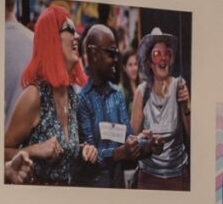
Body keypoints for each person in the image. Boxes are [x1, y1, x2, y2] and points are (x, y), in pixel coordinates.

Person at [4, 2, 83, 185]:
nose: (77, 35)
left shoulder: (71, 95)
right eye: (69, 29)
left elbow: (65, 151)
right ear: (52, 38)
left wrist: (83, 149)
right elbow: (1, 151)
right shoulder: (35, 95)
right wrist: (34, 150)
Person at [71, 20, 136, 188]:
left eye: (116, 53)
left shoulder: (117, 94)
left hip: (118, 186)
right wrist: (120, 153)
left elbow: (129, 136)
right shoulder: (80, 98)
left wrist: (145, 144)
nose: (116, 60)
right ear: (94, 54)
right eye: (111, 54)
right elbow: (90, 154)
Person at [131, 29, 190, 190]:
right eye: (157, 54)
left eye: (167, 54)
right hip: (148, 177)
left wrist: (186, 106)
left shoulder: (179, 86)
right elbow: (132, 141)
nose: (163, 58)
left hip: (178, 175)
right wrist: (147, 142)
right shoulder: (142, 92)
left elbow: (192, 135)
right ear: (149, 62)